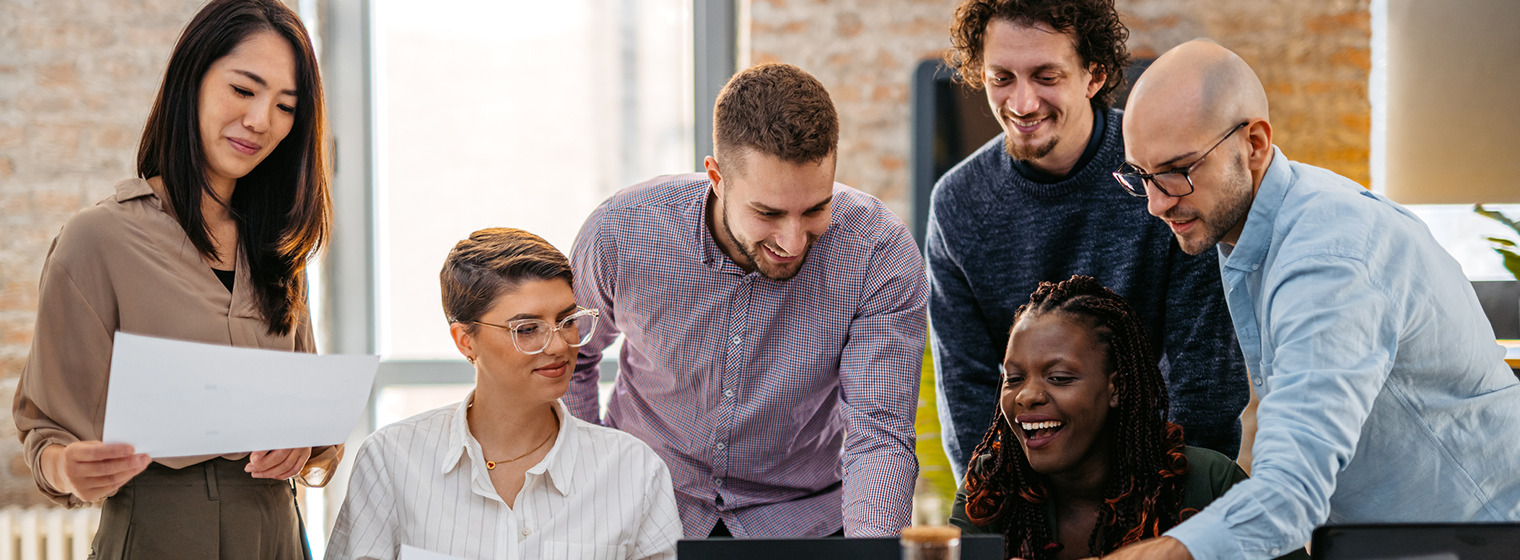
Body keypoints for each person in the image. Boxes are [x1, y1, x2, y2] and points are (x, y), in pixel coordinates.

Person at [1101, 40, 1520, 560]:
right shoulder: (1252, 231)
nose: (1157, 204)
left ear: (1253, 143)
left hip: (1488, 539)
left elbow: (1288, 494)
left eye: (1179, 171)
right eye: (1142, 176)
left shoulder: (1329, 256)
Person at [11, 0, 337, 557]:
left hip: (275, 532)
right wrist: (69, 468)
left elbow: (308, 416)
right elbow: (46, 433)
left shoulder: (278, 248)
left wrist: (305, 446)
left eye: (285, 106)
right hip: (157, 532)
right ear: (192, 79)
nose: (261, 121)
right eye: (243, 90)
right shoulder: (98, 239)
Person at [567, 63, 928, 538]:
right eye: (768, 212)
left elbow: (878, 434)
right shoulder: (623, 231)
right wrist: (587, 487)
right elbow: (570, 356)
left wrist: (869, 558)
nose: (793, 240)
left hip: (800, 522)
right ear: (716, 176)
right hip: (642, 507)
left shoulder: (877, 253)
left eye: (816, 208)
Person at [928, 0, 1247, 482]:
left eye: (1046, 76)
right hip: (1030, 491)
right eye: (1001, 78)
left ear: (1093, 75)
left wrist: (1167, 509)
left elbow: (1204, 378)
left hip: (1160, 481)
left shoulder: (1165, 175)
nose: (1022, 103)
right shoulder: (959, 203)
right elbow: (967, 393)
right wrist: (1001, 516)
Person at [326, 228, 681, 560]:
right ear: (465, 341)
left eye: (567, 321)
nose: (559, 345)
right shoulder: (391, 460)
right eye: (528, 329)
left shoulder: (634, 470)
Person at [949, 276, 1304, 560]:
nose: (1027, 395)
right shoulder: (991, 488)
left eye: (1059, 378)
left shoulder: (1209, 484)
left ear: (1115, 387)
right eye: (1013, 379)